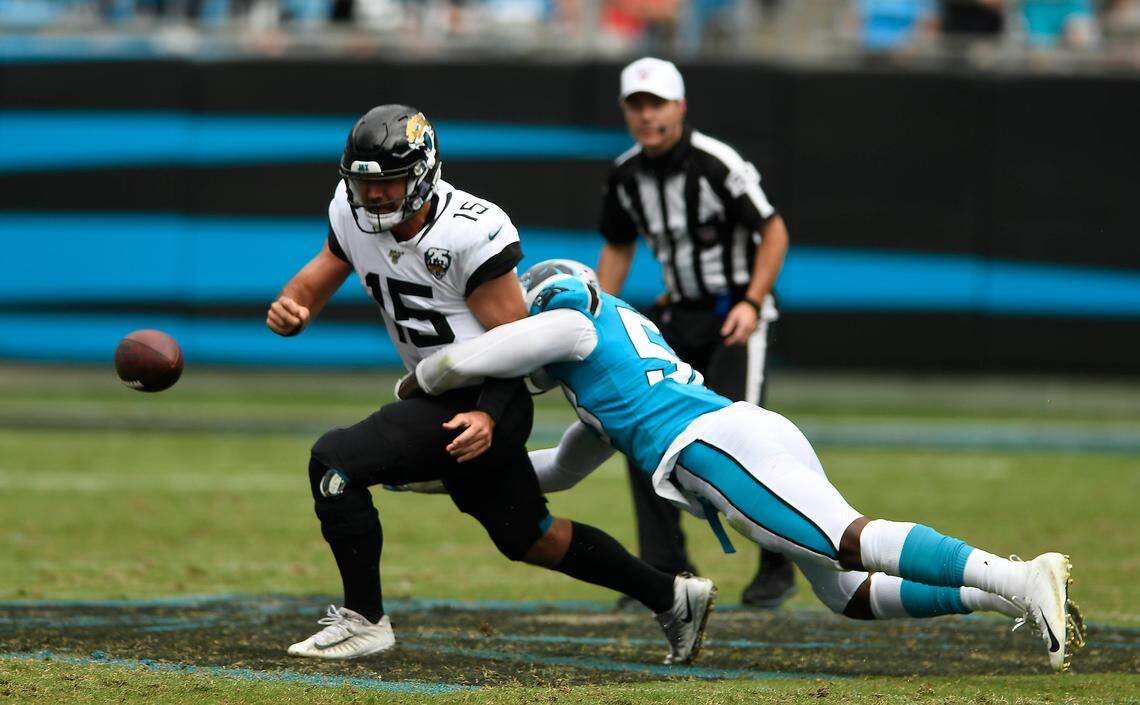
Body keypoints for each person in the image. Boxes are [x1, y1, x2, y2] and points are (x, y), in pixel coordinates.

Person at [399, 259, 1086, 673]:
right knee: (844, 592)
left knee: (848, 536)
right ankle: (1003, 594)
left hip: (715, 443)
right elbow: (551, 471)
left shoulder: (578, 319)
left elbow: (512, 343)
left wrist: (427, 376)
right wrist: (430, 474)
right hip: (743, 434)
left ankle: (1023, 575)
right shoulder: (599, 384)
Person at [266, 106, 714, 663]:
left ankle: (365, 620)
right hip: (439, 395)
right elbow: (321, 272)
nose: (375, 197)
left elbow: (521, 344)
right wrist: (296, 307)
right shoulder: (351, 211)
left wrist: (490, 416)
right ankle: (672, 595)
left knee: (334, 464)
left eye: (389, 183)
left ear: (424, 173)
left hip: (482, 399)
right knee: (530, 537)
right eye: (363, 183)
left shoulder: (468, 231)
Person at [596, 57, 794, 609]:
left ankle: (778, 561)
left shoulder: (715, 163)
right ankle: (665, 569)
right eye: (636, 106)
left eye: (656, 104)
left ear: (680, 107)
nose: (646, 116)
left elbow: (773, 229)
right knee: (640, 433)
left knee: (744, 445)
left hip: (734, 317)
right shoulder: (626, 174)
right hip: (677, 317)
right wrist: (604, 315)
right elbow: (617, 243)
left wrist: (752, 302)